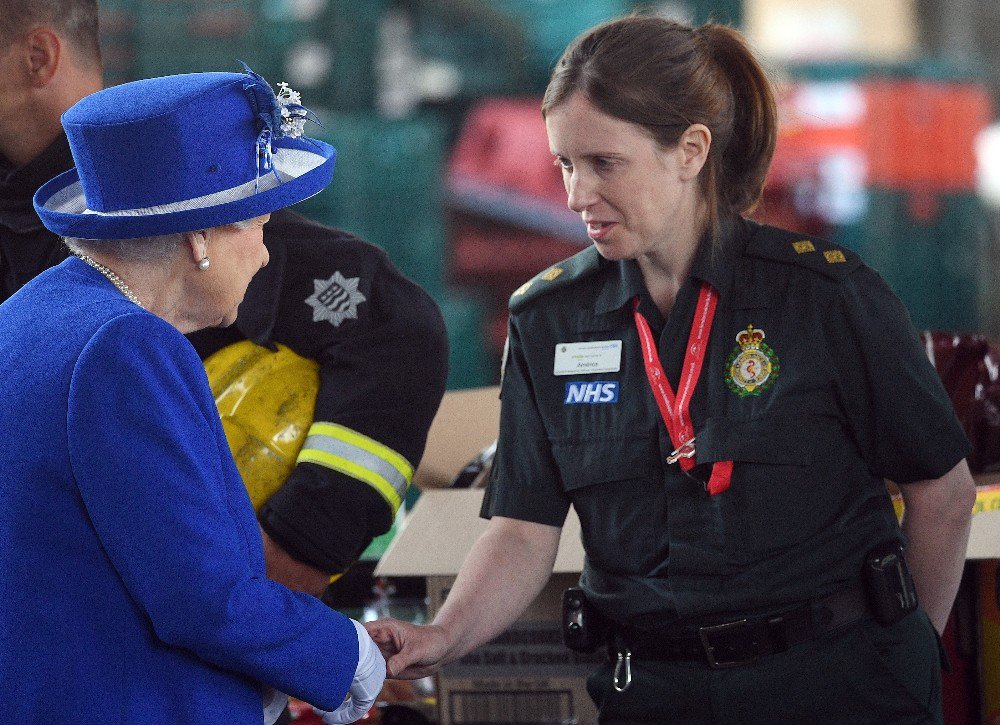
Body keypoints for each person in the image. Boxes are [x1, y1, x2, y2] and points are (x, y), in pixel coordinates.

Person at [365, 15, 978, 724]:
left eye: (603, 163)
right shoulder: (548, 319)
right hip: (653, 693)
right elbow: (522, 529)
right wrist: (443, 634)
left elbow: (943, 493)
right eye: (565, 163)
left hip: (839, 688)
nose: (574, 194)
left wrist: (903, 657)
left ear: (690, 151)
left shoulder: (826, 299)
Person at [0, 0, 449, 600]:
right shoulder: (109, 312)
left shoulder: (171, 223)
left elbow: (391, 326)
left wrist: (295, 549)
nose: (257, 247)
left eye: (254, 221)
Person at [0, 68, 386, 722]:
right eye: (259, 222)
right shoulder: (125, 348)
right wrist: (348, 654)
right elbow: (202, 596)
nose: (265, 254)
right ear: (199, 238)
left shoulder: (24, 316)